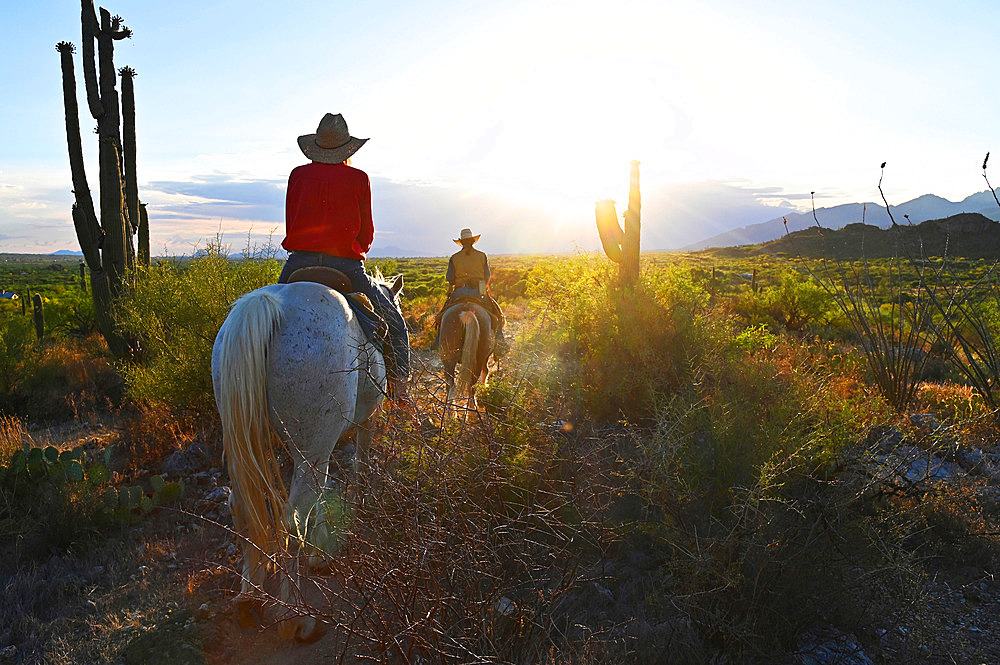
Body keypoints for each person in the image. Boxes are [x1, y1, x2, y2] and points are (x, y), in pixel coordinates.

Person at [277, 112, 413, 409]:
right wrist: (352, 248)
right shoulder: (358, 178)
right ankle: (401, 387)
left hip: (298, 264)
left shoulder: (298, 175)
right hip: (346, 268)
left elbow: (291, 222)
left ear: (315, 145)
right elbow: (367, 232)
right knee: (394, 320)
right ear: (346, 148)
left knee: (267, 314)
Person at [434, 228, 506, 348]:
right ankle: (500, 343)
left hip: (459, 292)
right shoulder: (482, 256)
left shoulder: (454, 258)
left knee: (441, 317)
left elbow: (450, 279)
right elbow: (487, 276)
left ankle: (437, 342)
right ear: (473, 241)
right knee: (496, 315)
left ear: (461, 242)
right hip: (479, 291)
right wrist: (483, 287)